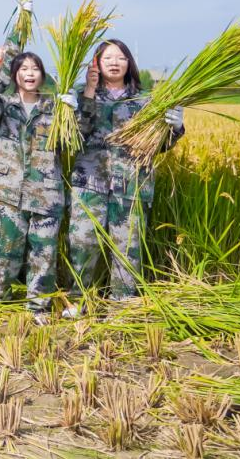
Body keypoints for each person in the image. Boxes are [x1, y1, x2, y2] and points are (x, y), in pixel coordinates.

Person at [65, 39, 185, 315]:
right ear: (97, 64)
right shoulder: (83, 96)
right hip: (89, 183)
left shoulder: (145, 101)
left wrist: (176, 128)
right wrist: (87, 96)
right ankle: (79, 301)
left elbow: (161, 145)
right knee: (82, 243)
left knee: (127, 250)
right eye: (108, 58)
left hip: (131, 185)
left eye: (120, 57)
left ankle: (121, 307)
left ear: (129, 63)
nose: (114, 63)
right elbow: (74, 138)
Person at [0, 45, 65, 323]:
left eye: (35, 68)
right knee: (3, 245)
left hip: (46, 191)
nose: (29, 73)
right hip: (7, 189)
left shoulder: (56, 108)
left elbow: (76, 136)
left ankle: (38, 306)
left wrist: (74, 104)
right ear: (15, 75)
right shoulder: (5, 104)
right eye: (23, 69)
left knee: (44, 252)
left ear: (42, 75)